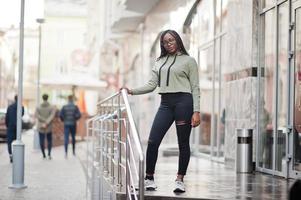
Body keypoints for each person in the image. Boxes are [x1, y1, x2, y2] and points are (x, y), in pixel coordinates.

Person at [122, 29, 201, 193]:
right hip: (165, 104)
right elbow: (151, 85)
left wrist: (196, 111)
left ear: (178, 40)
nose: (169, 44)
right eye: (165, 42)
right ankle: (149, 178)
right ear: (162, 44)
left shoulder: (189, 61)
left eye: (171, 40)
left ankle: (180, 179)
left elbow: (195, 87)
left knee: (183, 143)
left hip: (183, 103)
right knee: (152, 141)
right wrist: (131, 91)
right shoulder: (159, 62)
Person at [35, 94, 56, 159]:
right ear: (47, 98)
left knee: (41, 140)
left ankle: (43, 154)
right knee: (49, 140)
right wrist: (47, 122)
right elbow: (52, 115)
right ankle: (49, 154)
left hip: (40, 126)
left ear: (42, 98)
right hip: (48, 126)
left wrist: (43, 121)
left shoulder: (38, 107)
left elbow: (37, 115)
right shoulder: (51, 107)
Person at [5, 95, 24, 163]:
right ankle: (16, 155)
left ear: (14, 99)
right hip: (17, 128)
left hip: (10, 127)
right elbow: (21, 115)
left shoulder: (10, 107)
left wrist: (8, 125)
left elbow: (7, 118)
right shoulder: (21, 107)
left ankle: (11, 155)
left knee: (9, 142)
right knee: (17, 142)